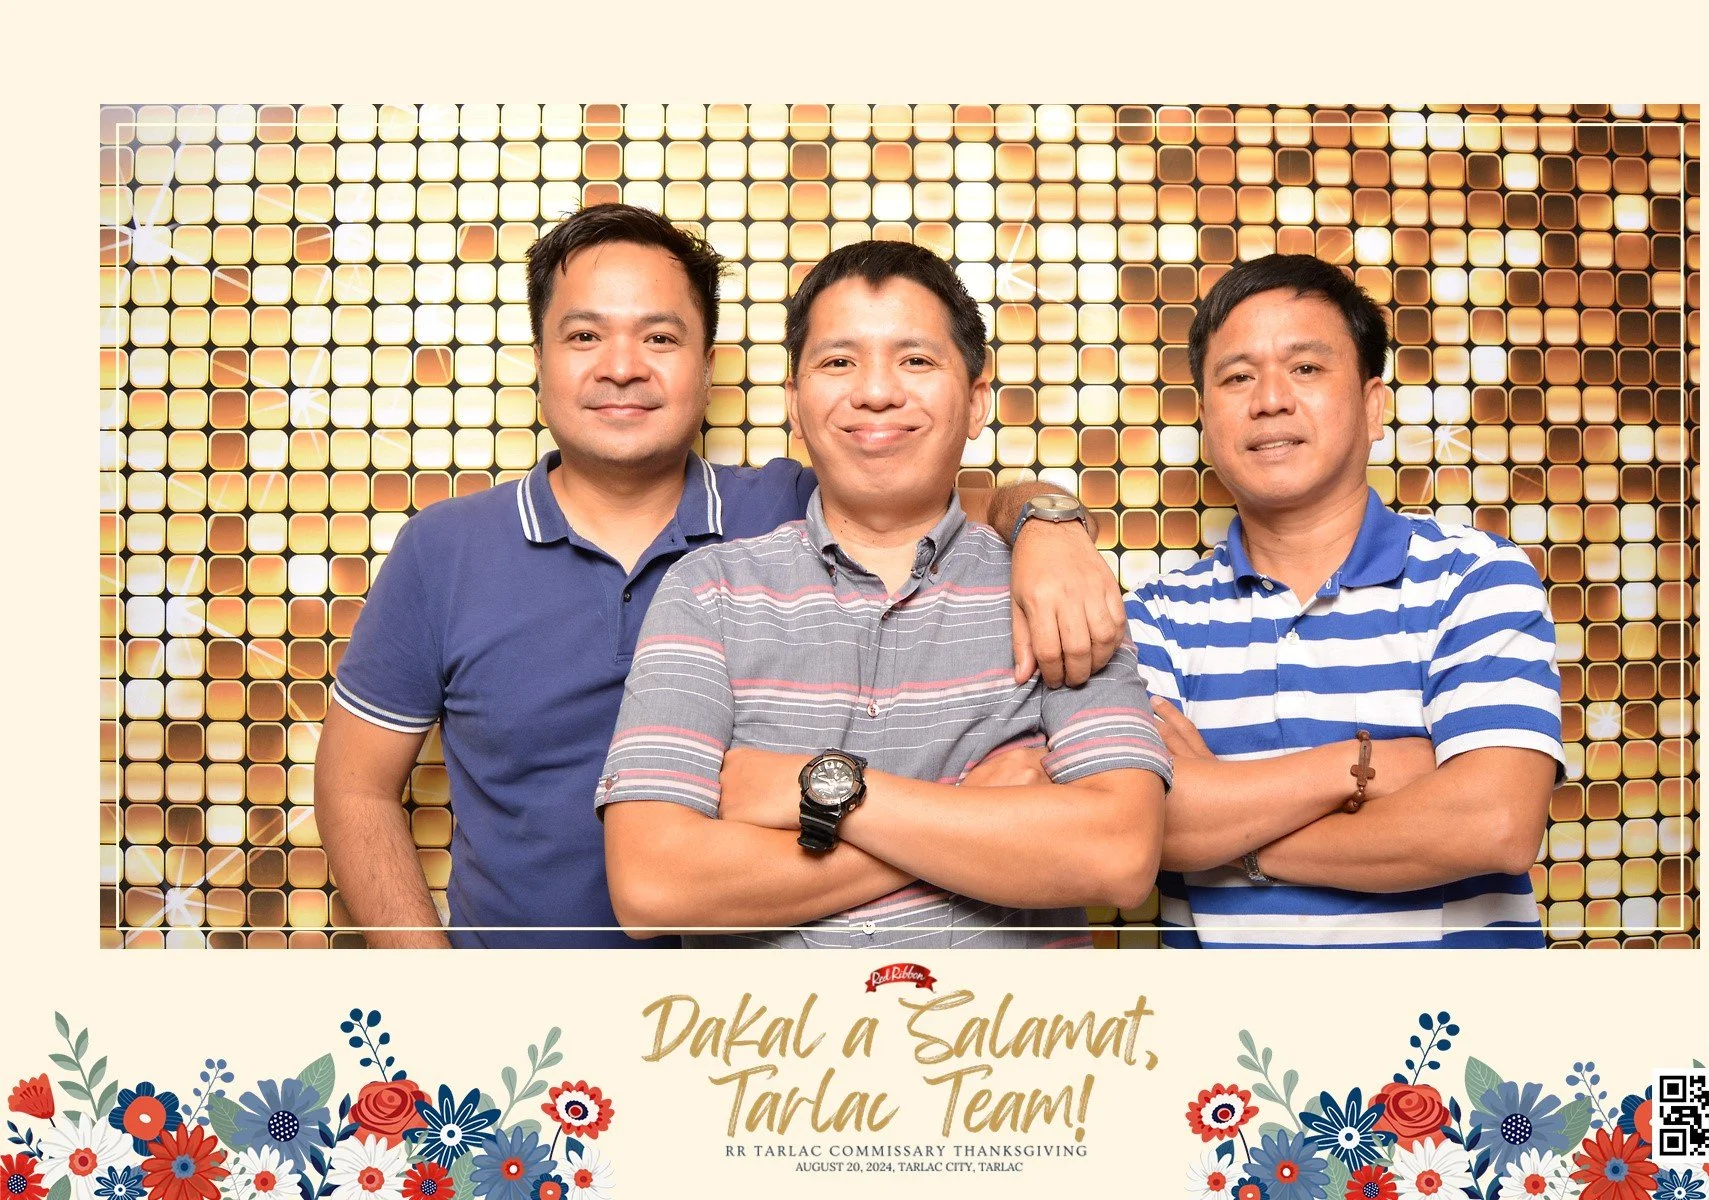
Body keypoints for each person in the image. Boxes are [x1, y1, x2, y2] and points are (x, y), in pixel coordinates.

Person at [315, 204, 1130, 948]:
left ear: (709, 366)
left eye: (661, 338)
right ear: (539, 361)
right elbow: (354, 792)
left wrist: (1050, 524)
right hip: (536, 1014)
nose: (623, 367)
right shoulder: (446, 549)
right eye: (585, 336)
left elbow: (944, 503)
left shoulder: (791, 502)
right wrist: (436, 1004)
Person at [594, 239, 1172, 947]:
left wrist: (816, 790)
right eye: (838, 362)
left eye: (916, 360)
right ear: (794, 405)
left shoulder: (1055, 589)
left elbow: (1116, 856)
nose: (875, 390)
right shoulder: (708, 592)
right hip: (759, 1052)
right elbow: (654, 887)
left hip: (1018, 1049)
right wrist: (971, 819)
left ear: (977, 399)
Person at [1124, 253, 1562, 948]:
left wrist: (1234, 843)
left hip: (1454, 1045)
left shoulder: (1475, 579)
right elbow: (1136, 828)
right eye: (1238, 377)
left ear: (1372, 404)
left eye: (1305, 368)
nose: (1270, 399)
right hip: (1228, 1049)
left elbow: (1493, 825)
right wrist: (1367, 766)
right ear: (1206, 419)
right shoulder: (1152, 618)